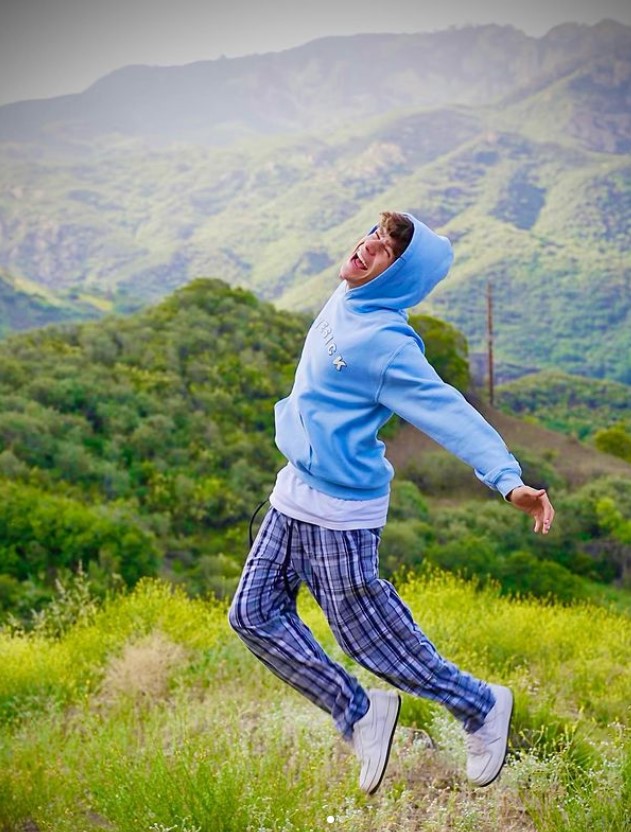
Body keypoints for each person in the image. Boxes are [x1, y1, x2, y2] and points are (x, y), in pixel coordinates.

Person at [229, 211, 555, 795]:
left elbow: (447, 409)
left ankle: (480, 705)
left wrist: (508, 480)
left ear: (397, 280)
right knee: (252, 615)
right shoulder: (347, 293)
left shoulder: (387, 345)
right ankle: (358, 712)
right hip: (292, 491)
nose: (367, 247)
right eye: (373, 236)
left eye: (384, 250)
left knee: (369, 641)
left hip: (339, 513)